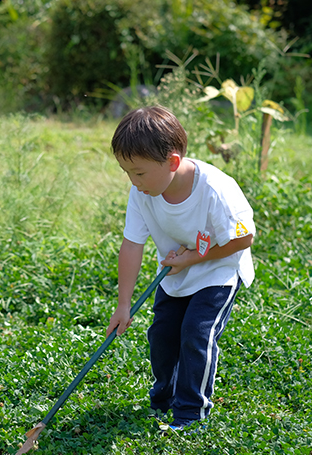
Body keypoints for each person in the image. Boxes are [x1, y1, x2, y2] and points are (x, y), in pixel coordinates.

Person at [106, 105, 255, 431]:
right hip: (176, 274)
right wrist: (123, 305)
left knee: (195, 334)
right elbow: (132, 244)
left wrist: (193, 259)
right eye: (127, 172)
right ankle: (164, 398)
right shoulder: (143, 193)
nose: (133, 181)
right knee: (161, 336)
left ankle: (191, 413)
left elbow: (244, 239)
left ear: (173, 162)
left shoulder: (215, 189)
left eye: (140, 172)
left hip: (218, 270)